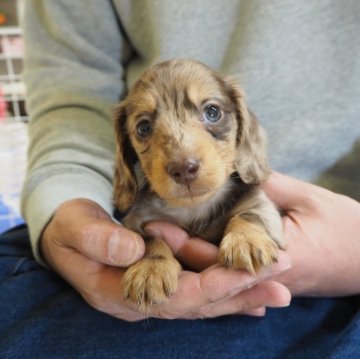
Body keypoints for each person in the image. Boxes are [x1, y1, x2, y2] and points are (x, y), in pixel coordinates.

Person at [0, 0, 359, 357]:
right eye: (144, 127)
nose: (182, 159)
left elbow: (261, 210)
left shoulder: (246, 196)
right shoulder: (146, 207)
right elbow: (73, 103)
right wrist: (145, 251)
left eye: (211, 112)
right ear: (125, 151)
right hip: (108, 254)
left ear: (243, 126)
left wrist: (249, 228)